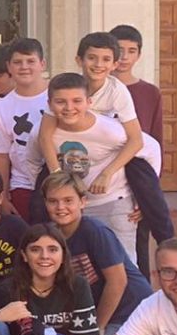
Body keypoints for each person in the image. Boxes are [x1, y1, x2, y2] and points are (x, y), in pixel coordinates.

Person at [40, 72, 138, 260]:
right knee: (72, 263)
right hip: (67, 209)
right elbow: (31, 163)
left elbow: (144, 146)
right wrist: (55, 180)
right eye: (61, 102)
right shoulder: (43, 133)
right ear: (50, 104)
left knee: (123, 261)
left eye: (77, 101)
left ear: (89, 102)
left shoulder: (112, 131)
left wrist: (109, 175)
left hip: (111, 203)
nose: (69, 108)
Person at [40, 171, 153, 334]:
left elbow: (117, 281)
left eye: (68, 200)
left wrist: (98, 327)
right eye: (53, 201)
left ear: (82, 202)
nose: (60, 207)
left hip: (130, 311)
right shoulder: (49, 235)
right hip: (95, 312)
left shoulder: (95, 231)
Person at [0, 38, 49, 219]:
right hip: (23, 185)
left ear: (42, 64)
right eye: (17, 62)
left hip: (59, 182)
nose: (24, 67)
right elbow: (1, 155)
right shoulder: (3, 107)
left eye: (30, 61)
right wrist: (3, 197)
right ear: (9, 66)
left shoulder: (58, 95)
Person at [109, 23, 163, 144]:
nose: (125, 57)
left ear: (139, 55)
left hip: (140, 153)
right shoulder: (96, 87)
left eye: (132, 51)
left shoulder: (151, 93)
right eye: (120, 50)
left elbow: (156, 135)